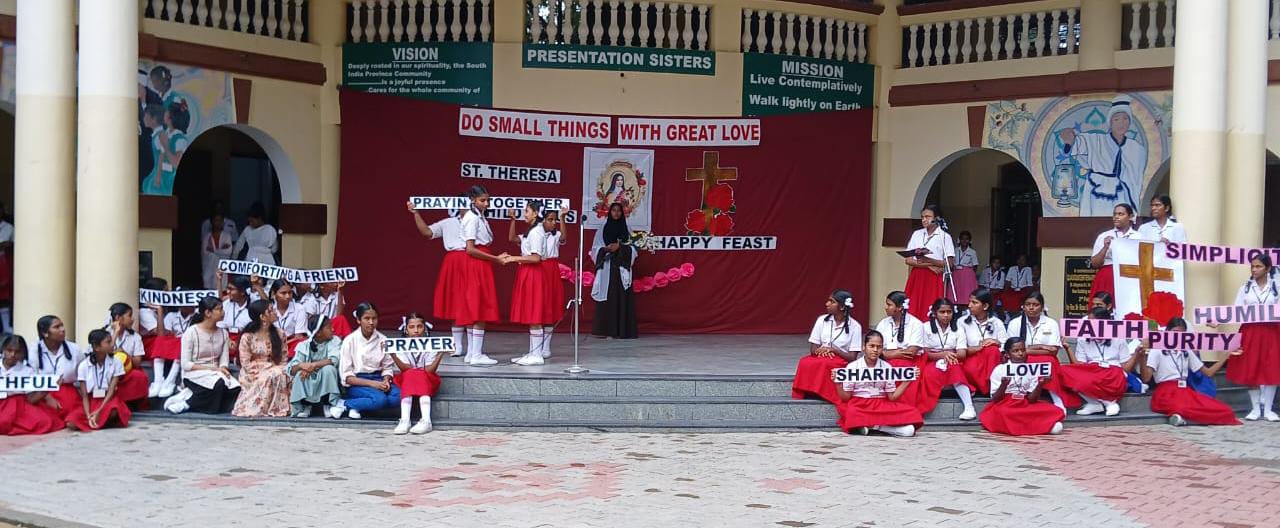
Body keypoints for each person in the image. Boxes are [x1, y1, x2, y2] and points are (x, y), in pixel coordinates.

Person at [1056, 94, 1147, 216]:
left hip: (1120, 192)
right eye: (1116, 119)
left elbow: (1136, 178)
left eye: (1125, 119)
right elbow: (1078, 142)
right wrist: (1069, 137)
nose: (1121, 123)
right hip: (1096, 190)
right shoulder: (1097, 140)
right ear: (1110, 122)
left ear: (1130, 122)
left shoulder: (1137, 149)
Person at [1140, 318, 1240, 426]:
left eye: (1181, 334)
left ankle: (1182, 418)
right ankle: (1181, 417)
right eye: (1174, 333)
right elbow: (1146, 378)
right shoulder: (1157, 350)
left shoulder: (1186, 351)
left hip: (1184, 391)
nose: (1177, 336)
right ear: (1167, 332)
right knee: (1180, 407)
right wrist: (1142, 356)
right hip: (1166, 392)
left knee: (1224, 410)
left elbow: (1208, 372)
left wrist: (1226, 355)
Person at [832, 331, 922, 437]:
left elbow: (892, 397)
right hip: (860, 404)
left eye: (879, 347)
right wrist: (838, 384)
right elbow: (846, 398)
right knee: (850, 411)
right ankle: (880, 427)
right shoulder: (852, 367)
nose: (875, 350)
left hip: (881, 404)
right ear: (864, 347)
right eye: (872, 346)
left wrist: (907, 381)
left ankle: (872, 426)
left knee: (912, 412)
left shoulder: (886, 367)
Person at [408, 199, 468, 356]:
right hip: (454, 262)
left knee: (471, 302)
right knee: (456, 302)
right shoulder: (449, 222)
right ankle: (457, 345)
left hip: (473, 261)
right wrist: (416, 213)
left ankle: (474, 350)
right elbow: (428, 232)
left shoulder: (480, 222)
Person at [454, 186, 506, 365]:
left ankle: (471, 353)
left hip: (480, 262)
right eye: (482, 200)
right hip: (476, 263)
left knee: (475, 306)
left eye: (488, 200)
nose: (486, 204)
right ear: (472, 200)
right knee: (479, 306)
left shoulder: (478, 216)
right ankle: (476, 354)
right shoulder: (472, 218)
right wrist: (495, 259)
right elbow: (470, 249)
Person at [165, 296, 241, 414]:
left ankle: (189, 397)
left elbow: (224, 360)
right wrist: (214, 369)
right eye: (219, 309)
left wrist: (223, 368)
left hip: (216, 373)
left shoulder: (223, 333)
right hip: (194, 373)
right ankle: (186, 404)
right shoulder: (191, 332)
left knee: (235, 389)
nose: (223, 312)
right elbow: (185, 364)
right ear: (208, 313)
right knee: (218, 385)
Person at [1227, 254, 1280, 421]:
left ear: (1268, 268)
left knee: (1272, 367)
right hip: (1250, 331)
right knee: (1251, 366)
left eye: (1258, 266)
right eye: (1253, 266)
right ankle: (1255, 408)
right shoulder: (1245, 288)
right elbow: (1235, 310)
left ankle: (1268, 409)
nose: (1254, 270)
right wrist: (1217, 320)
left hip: (1272, 331)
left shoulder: (1276, 286)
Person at [1059, 307, 1140, 416]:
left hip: (1113, 373)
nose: (1089, 325)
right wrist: (1068, 348)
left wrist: (1137, 353)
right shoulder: (1083, 338)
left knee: (1116, 374)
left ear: (1104, 323)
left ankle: (1106, 402)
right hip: (1093, 372)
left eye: (1093, 322)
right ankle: (1100, 403)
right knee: (1062, 371)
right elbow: (1079, 365)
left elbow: (1125, 368)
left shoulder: (1118, 337)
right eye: (1088, 322)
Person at [980, 337, 1065, 436]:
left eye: (1023, 350)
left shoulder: (1031, 369)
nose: (1020, 353)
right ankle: (1040, 427)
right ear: (1007, 354)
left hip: (1024, 402)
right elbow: (995, 399)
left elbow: (1031, 400)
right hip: (1005, 403)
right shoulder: (1000, 369)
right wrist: (1004, 385)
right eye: (1015, 351)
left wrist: (1040, 384)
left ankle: (1035, 427)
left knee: (1055, 410)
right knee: (1006, 413)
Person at [792, 290, 863, 405]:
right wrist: (821, 351)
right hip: (821, 355)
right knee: (804, 362)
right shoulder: (822, 320)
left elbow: (852, 357)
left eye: (832, 301)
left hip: (841, 359)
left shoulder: (855, 326)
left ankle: (824, 393)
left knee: (825, 364)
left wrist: (834, 350)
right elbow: (813, 349)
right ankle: (809, 391)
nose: (827, 304)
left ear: (842, 307)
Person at [506, 202, 555, 366]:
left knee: (534, 313)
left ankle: (537, 355)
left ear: (535, 213)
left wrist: (513, 258)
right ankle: (534, 352)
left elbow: (535, 257)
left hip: (533, 273)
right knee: (531, 313)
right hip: (529, 272)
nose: (524, 214)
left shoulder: (536, 232)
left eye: (527, 211)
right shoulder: (533, 231)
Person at [1006, 292, 1074, 411]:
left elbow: (1053, 351)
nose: (1031, 308)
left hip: (1045, 358)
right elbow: (1013, 350)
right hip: (1021, 359)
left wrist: (1027, 349)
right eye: (1028, 304)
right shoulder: (1015, 323)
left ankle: (1056, 399)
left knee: (1049, 361)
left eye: (1035, 305)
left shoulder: (1051, 323)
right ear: (1023, 306)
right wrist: (1041, 346)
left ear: (1042, 307)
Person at [916, 298, 977, 420]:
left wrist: (949, 356)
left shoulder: (958, 328)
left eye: (949, 312)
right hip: (931, 361)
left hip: (953, 359)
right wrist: (943, 355)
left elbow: (962, 353)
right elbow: (925, 352)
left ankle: (969, 407)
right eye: (942, 312)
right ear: (934, 313)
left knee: (955, 367)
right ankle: (922, 408)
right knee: (929, 374)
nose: (946, 315)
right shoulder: (925, 327)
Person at [231, 300, 291, 417]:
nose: (275, 312)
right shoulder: (247, 337)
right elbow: (245, 363)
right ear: (262, 317)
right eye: (271, 311)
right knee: (272, 374)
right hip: (253, 371)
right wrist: (268, 368)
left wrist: (278, 368)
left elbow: (283, 357)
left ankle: (279, 407)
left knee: (282, 373)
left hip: (276, 368)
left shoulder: (280, 334)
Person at [338, 302, 399, 419]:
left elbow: (387, 367)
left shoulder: (383, 339)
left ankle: (358, 405)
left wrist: (386, 380)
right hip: (358, 382)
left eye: (374, 318)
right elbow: (347, 377)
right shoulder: (350, 340)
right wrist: (374, 384)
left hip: (378, 378)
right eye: (367, 318)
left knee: (399, 397)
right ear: (358, 320)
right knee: (380, 400)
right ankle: (344, 404)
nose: (371, 322)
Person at [390, 312, 445, 434]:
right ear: (406, 329)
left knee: (418, 374)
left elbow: (429, 370)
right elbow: (405, 369)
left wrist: (440, 354)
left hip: (427, 378)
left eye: (419, 326)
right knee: (411, 373)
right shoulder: (401, 345)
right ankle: (405, 420)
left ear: (424, 328)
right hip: (408, 378)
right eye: (411, 327)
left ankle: (426, 420)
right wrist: (393, 355)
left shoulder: (431, 345)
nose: (416, 331)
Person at [66, 329, 132, 431]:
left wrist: (99, 411)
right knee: (71, 423)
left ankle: (98, 420)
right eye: (108, 342)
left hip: (108, 399)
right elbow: (84, 395)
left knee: (113, 411)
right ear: (97, 347)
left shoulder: (116, 362)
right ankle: (95, 420)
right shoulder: (84, 365)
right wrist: (88, 415)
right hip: (91, 400)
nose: (112, 345)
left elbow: (111, 390)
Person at [0, 335, 64, 436]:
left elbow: (31, 399)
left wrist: (48, 388)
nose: (12, 354)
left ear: (22, 353)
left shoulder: (27, 371)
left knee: (44, 422)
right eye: (9, 350)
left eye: (17, 352)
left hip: (18, 405)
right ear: (3, 349)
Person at [591, 203, 638, 339]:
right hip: (607, 267)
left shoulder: (627, 229)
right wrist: (605, 249)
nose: (616, 213)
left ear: (622, 213)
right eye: (614, 210)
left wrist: (620, 247)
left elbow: (634, 249)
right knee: (608, 297)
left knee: (621, 297)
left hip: (621, 268)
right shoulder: (602, 229)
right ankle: (606, 331)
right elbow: (595, 249)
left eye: (619, 211)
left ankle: (622, 331)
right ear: (609, 212)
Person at [902, 205, 955, 321]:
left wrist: (928, 260)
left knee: (931, 306)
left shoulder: (945, 237)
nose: (924, 219)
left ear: (936, 218)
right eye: (922, 217)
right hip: (917, 275)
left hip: (934, 277)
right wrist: (930, 265)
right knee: (913, 306)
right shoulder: (917, 234)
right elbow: (908, 260)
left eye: (928, 216)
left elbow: (949, 263)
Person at [287, 315, 344, 419]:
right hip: (309, 374)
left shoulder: (335, 341)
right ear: (318, 333)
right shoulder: (303, 345)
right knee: (300, 374)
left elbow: (334, 360)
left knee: (329, 369)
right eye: (329, 327)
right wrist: (302, 366)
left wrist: (313, 365)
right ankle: (305, 406)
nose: (332, 329)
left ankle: (328, 404)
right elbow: (292, 369)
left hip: (325, 374)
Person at [27, 315, 83, 413]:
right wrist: (48, 397)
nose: (63, 329)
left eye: (62, 325)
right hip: (42, 394)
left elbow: (82, 377)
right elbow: (32, 378)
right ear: (45, 333)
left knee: (73, 415)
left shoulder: (74, 349)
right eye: (57, 327)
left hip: (69, 393)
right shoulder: (33, 350)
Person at [1087, 204, 1140, 306]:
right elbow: (1095, 263)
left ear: (1130, 216)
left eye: (1121, 214)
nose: (1116, 217)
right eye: (1114, 214)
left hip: (1130, 276)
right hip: (1108, 276)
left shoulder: (1139, 237)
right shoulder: (1104, 236)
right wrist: (1105, 247)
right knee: (1102, 308)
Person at [139, 278, 183, 399]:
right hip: (150, 345)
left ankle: (170, 381)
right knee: (163, 341)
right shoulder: (144, 312)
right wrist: (159, 310)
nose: (168, 294)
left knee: (180, 342)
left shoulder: (167, 311)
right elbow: (160, 333)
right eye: (165, 291)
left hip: (161, 342)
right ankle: (158, 381)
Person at [960, 288, 1007, 395]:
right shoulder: (962, 322)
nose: (969, 305)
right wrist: (979, 347)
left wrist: (996, 342)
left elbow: (1006, 345)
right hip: (971, 356)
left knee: (992, 350)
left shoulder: (996, 322)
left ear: (985, 306)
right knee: (970, 368)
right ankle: (982, 388)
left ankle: (991, 388)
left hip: (991, 359)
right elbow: (960, 347)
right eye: (970, 302)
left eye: (974, 302)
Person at [141, 99, 190, 195]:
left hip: (169, 179)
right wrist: (157, 176)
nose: (165, 113)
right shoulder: (166, 134)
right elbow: (161, 156)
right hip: (160, 176)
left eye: (167, 112)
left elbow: (176, 164)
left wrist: (166, 146)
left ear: (171, 118)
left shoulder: (179, 139)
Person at [106, 303, 151, 407]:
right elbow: (103, 354)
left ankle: (130, 403)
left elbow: (137, 362)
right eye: (129, 316)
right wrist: (115, 333)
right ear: (118, 318)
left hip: (127, 370)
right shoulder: (104, 333)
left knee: (139, 376)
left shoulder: (135, 337)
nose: (132, 319)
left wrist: (124, 353)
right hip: (108, 371)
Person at [540, 208, 569, 357]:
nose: (553, 223)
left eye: (555, 220)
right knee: (539, 306)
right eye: (550, 219)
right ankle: (536, 346)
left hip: (551, 269)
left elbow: (563, 237)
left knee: (550, 306)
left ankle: (545, 347)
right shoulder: (535, 233)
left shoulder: (556, 235)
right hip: (539, 267)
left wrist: (562, 218)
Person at [268, 280, 309, 357]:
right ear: (274, 294)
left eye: (290, 293)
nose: (287, 296)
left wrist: (282, 345)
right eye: (283, 293)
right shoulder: (270, 310)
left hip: (292, 344)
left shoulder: (299, 309)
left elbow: (299, 336)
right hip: (272, 345)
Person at [202, 211, 236, 290]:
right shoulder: (207, 237)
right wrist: (220, 250)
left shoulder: (227, 236)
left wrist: (214, 251)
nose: (218, 223)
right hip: (209, 268)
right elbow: (206, 252)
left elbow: (228, 252)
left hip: (222, 268)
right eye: (216, 220)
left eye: (220, 220)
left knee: (223, 288)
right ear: (212, 222)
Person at [949, 231, 980, 304]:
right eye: (962, 239)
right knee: (956, 290)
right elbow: (951, 262)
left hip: (967, 274)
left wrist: (970, 274)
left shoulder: (972, 252)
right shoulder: (955, 250)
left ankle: (967, 304)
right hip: (956, 273)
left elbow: (975, 265)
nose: (964, 241)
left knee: (967, 291)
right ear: (959, 240)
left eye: (967, 239)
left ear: (970, 240)